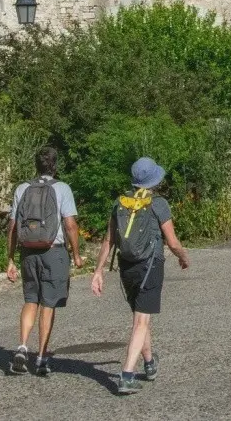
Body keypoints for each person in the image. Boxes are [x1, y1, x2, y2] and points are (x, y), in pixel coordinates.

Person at [90, 156, 190, 395]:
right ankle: (126, 375)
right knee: (141, 321)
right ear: (153, 180)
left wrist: (98, 271)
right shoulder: (158, 204)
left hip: (127, 267)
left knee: (140, 317)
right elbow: (173, 241)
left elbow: (108, 240)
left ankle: (149, 363)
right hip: (150, 266)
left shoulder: (120, 203)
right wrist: (183, 257)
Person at [5, 147, 84, 376]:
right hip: (53, 251)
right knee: (48, 305)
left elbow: (12, 227)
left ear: (36, 165)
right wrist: (77, 254)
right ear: (54, 166)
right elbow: (70, 224)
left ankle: (21, 346)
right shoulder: (62, 189)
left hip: (28, 252)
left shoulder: (22, 188)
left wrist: (10, 259)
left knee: (31, 299)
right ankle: (40, 357)